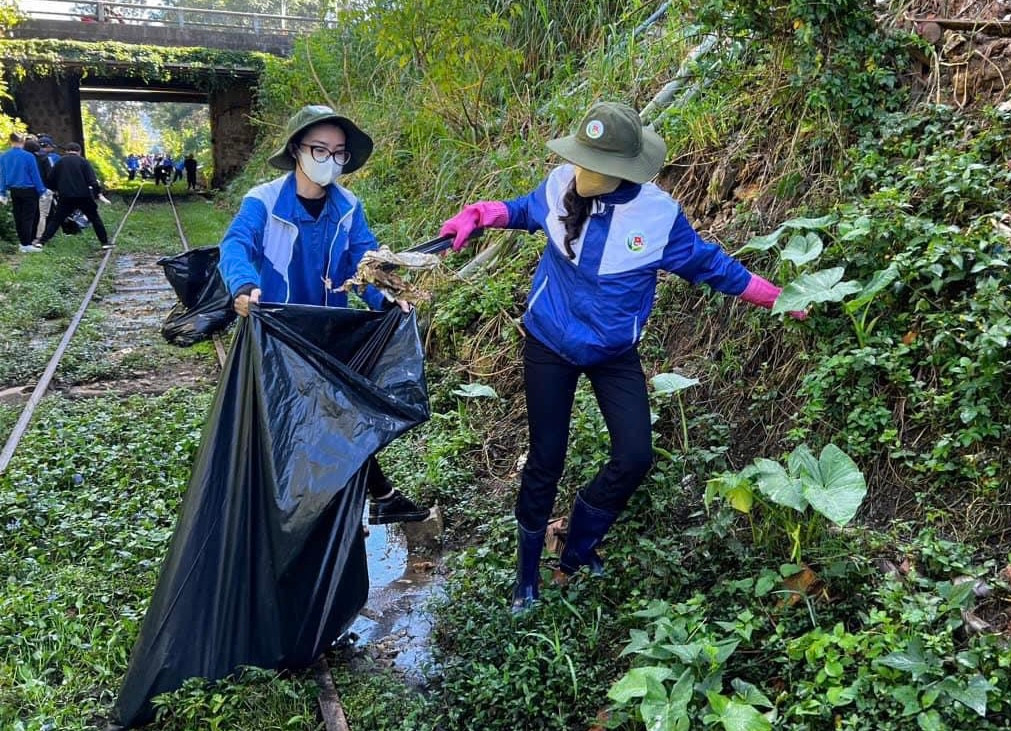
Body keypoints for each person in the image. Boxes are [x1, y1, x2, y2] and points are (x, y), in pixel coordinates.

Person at [439, 101, 805, 612]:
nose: (580, 170)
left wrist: (778, 297)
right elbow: (524, 209)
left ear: (622, 169)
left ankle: (577, 549)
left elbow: (710, 265)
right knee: (547, 457)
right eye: (580, 158)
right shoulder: (562, 181)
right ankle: (526, 577)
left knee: (634, 456)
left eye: (594, 164)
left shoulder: (657, 217)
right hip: (549, 340)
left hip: (612, 351)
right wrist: (479, 215)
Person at [218, 104, 430, 525]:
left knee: (336, 416)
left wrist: (386, 297)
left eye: (338, 153)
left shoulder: (348, 207)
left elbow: (362, 262)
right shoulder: (263, 202)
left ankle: (361, 499)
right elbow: (235, 245)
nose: (329, 161)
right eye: (320, 149)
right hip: (280, 332)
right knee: (294, 422)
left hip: (331, 332)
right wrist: (243, 287)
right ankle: (302, 507)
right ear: (297, 150)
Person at [38, 142, 110, 250]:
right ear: (79, 151)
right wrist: (98, 194)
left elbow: (50, 179)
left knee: (56, 220)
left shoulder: (60, 162)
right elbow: (92, 181)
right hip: (84, 196)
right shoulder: (83, 162)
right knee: (95, 218)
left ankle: (42, 242)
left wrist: (56, 190)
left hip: (65, 196)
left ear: (67, 151)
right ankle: (104, 243)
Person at [0, 132, 47, 253]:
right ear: (23, 142)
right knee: (28, 217)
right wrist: (42, 190)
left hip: (14, 190)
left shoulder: (4, 156)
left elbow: (2, 175)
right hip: (29, 190)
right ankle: (26, 243)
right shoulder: (28, 156)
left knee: (18, 216)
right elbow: (34, 175)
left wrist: (2, 192)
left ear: (10, 141)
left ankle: (22, 243)